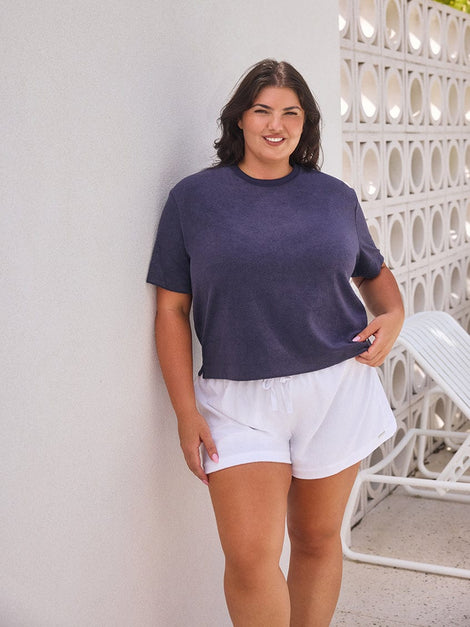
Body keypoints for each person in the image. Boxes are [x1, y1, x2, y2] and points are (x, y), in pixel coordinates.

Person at [147, 59, 404, 626]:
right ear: (239, 118)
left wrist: (395, 315)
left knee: (316, 539)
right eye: (262, 110)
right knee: (249, 559)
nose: (276, 124)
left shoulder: (334, 196)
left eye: (291, 112)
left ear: (306, 123)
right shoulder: (194, 199)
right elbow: (171, 310)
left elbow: (375, 275)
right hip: (237, 401)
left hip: (336, 389)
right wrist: (185, 412)